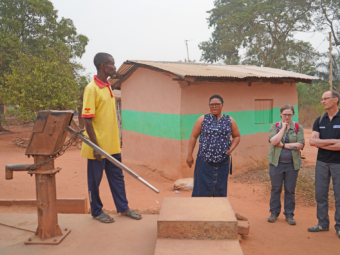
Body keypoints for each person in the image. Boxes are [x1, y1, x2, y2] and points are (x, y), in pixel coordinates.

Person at [81, 53, 141, 223]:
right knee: (95, 181)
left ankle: (123, 208)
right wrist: (95, 147)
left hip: (112, 146)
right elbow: (87, 119)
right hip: (98, 147)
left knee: (117, 178)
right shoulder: (91, 88)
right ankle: (97, 211)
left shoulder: (108, 86)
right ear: (103, 66)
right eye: (112, 64)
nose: (114, 67)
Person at [186, 94, 241, 197]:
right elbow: (193, 137)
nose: (214, 107)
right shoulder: (202, 119)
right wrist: (189, 156)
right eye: (211, 105)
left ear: (222, 105)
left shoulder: (229, 120)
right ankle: (200, 212)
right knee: (201, 190)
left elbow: (237, 136)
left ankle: (217, 212)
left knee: (219, 190)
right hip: (204, 162)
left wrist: (231, 148)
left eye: (217, 104)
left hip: (222, 162)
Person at [309, 90, 340, 238]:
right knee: (320, 194)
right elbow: (311, 141)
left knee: (339, 196)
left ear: (335, 100)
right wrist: (332, 142)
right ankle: (322, 223)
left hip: (338, 163)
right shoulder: (319, 120)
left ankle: (339, 226)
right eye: (321, 99)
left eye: (326, 98)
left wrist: (320, 143)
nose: (323, 101)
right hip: (321, 162)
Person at [267, 104, 305, 225]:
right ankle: (274, 212)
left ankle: (289, 214)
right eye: (285, 114)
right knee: (275, 188)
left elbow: (300, 145)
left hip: (292, 164)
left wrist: (283, 145)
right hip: (276, 163)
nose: (287, 117)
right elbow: (273, 141)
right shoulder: (275, 126)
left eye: (289, 114)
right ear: (281, 114)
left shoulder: (298, 127)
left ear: (293, 114)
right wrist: (283, 128)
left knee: (290, 190)